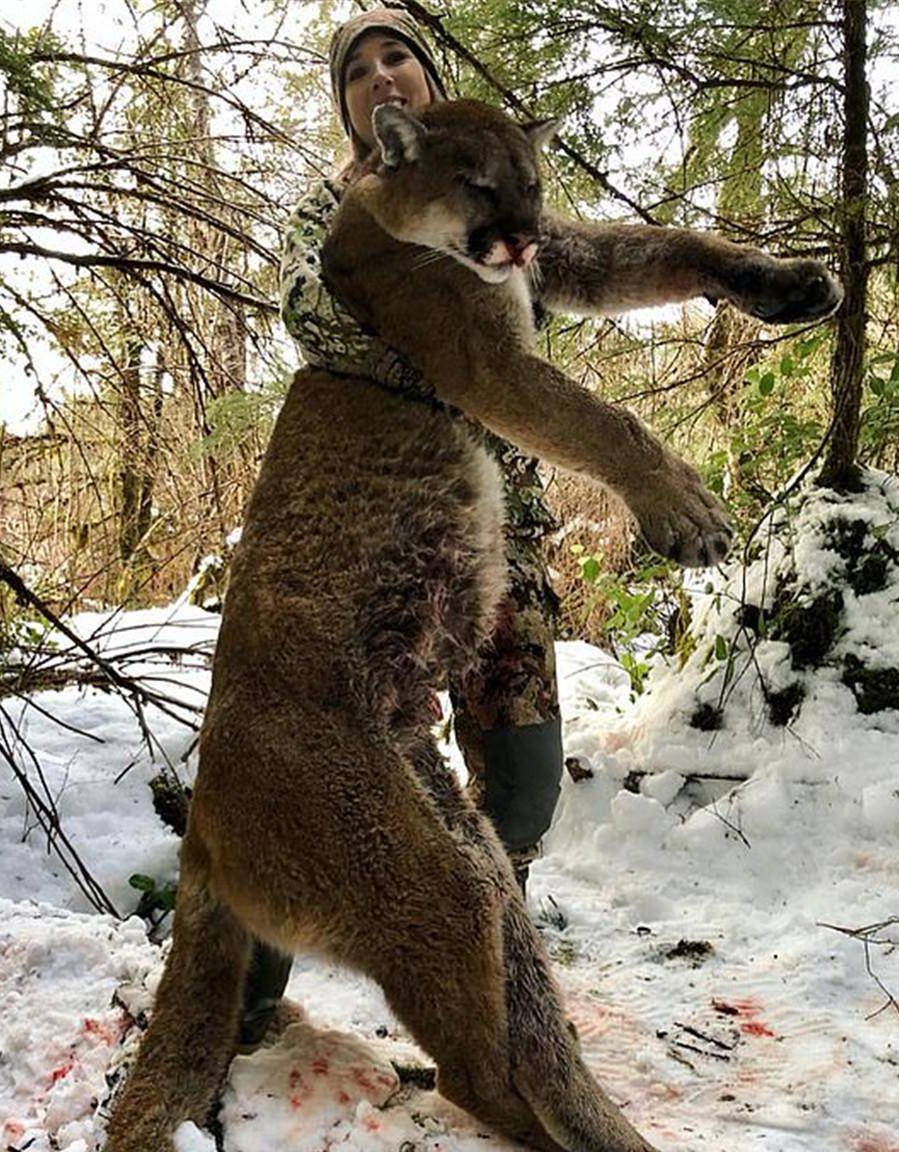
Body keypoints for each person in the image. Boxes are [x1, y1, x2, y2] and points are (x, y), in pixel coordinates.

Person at [238, 6, 566, 1050]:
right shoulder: (327, 214)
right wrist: (456, 357)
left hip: (500, 545)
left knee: (520, 790)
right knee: (307, 765)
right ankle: (238, 997)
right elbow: (311, 311)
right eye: (358, 70)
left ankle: (487, 981)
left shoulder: (504, 203)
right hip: (372, 545)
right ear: (345, 106)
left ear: (431, 83)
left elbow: (552, 308)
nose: (381, 77)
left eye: (399, 58)